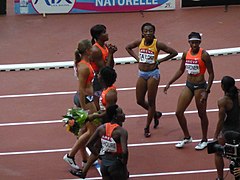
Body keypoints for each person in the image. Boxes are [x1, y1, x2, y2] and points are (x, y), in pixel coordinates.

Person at [125, 22, 178, 137]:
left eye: (150, 31)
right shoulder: (140, 42)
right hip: (142, 73)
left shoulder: (157, 44)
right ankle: (155, 114)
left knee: (151, 101)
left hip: (153, 74)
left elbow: (174, 53)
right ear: (142, 33)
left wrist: (160, 61)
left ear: (154, 32)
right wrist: (137, 58)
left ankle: (147, 127)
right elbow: (127, 47)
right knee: (139, 100)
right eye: (146, 31)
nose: (148, 33)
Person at [164, 32, 214, 150]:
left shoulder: (204, 55)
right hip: (189, 85)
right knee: (178, 112)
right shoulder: (186, 54)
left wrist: (207, 91)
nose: (194, 44)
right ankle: (187, 137)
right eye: (192, 42)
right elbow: (181, 70)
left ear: (200, 42)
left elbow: (211, 74)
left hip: (201, 86)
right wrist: (169, 82)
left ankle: (204, 140)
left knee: (201, 114)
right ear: (189, 42)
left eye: (197, 42)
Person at [69, 66, 118, 178]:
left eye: (100, 74)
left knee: (98, 147)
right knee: (95, 146)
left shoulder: (110, 94)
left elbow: (110, 112)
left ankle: (116, 169)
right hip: (102, 122)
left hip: (107, 124)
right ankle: (84, 171)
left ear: (104, 79)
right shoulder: (105, 91)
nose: (98, 76)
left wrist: (95, 116)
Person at [63, 39, 98, 170]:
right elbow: (82, 89)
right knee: (92, 129)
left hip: (86, 98)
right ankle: (71, 155)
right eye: (92, 48)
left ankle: (85, 159)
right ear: (88, 50)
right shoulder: (83, 67)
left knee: (83, 130)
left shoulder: (85, 63)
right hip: (85, 100)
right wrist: (84, 109)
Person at [87, 104, 129, 180]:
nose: (124, 114)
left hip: (104, 164)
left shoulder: (101, 128)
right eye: (121, 113)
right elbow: (124, 151)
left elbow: (89, 144)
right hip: (116, 164)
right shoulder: (121, 132)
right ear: (115, 116)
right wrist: (124, 164)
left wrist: (99, 156)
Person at [214, 76, 240, 180]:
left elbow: (221, 120)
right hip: (239, 131)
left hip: (228, 132)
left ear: (222, 86)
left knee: (217, 152)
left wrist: (216, 135)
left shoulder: (223, 101)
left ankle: (220, 178)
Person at [90, 24, 117, 110]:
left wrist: (111, 54)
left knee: (108, 102)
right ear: (98, 36)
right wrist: (110, 53)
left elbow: (111, 66)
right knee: (99, 103)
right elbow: (104, 70)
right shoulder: (96, 50)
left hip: (106, 79)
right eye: (104, 32)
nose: (107, 34)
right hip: (99, 80)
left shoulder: (105, 46)